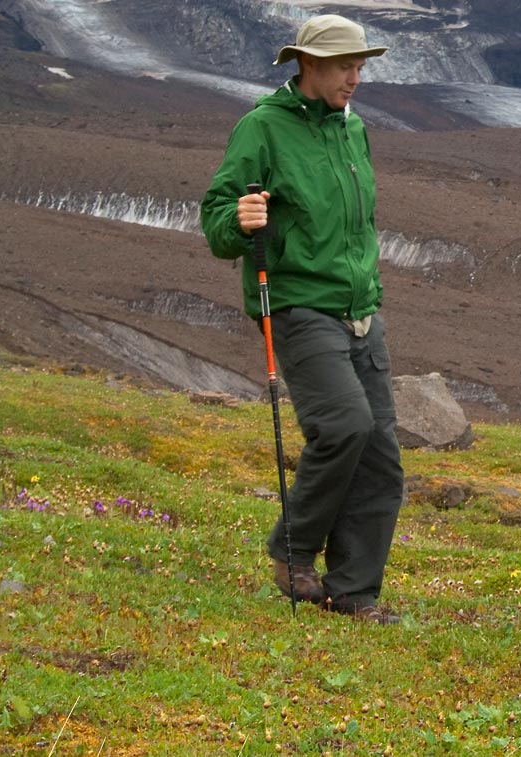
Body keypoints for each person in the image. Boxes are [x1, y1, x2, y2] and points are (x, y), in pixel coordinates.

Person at [200, 15, 403, 624]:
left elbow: (359, 224)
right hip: (296, 304)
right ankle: (291, 550)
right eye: (346, 66)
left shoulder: (354, 129)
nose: (356, 77)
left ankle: (355, 594)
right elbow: (216, 220)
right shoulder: (262, 128)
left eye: (361, 66)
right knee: (344, 425)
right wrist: (239, 220)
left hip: (360, 307)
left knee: (380, 455)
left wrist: (368, 286)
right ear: (308, 65)